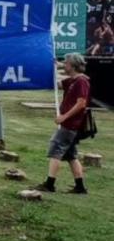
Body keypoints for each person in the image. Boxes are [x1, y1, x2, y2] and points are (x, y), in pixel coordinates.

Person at [36, 53, 91, 194]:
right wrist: (56, 67)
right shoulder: (72, 81)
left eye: (66, 63)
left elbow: (81, 103)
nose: (64, 64)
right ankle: (80, 187)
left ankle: (49, 184)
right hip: (69, 124)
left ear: (72, 66)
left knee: (56, 150)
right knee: (71, 155)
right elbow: (57, 85)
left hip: (70, 124)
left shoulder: (81, 81)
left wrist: (64, 117)